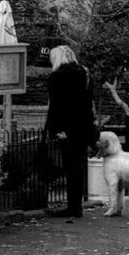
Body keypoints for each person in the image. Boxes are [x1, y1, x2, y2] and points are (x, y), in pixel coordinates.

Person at [43, 45, 94, 220]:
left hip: (66, 128)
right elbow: (88, 102)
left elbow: (56, 106)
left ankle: (73, 207)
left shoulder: (56, 77)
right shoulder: (85, 73)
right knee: (78, 166)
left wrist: (55, 130)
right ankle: (76, 205)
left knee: (70, 167)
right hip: (83, 126)